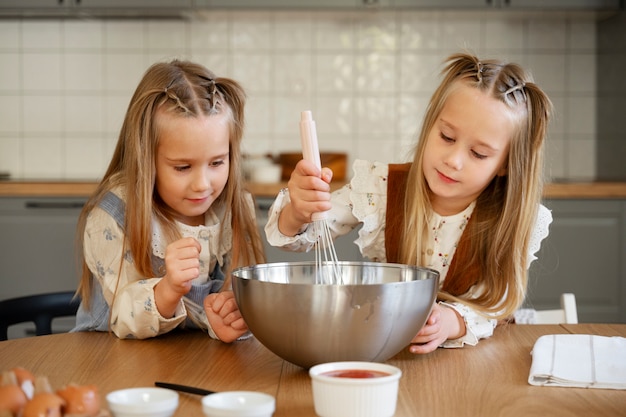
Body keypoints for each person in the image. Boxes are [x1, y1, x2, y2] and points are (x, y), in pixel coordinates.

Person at [265, 52, 553, 353]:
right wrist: (298, 211)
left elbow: (494, 304)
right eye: (446, 136)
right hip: (386, 353)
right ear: (430, 124)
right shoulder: (380, 188)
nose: (453, 160)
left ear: (506, 164)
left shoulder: (514, 218)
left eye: (479, 154)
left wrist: (450, 321)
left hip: (474, 363)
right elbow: (299, 238)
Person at [72, 59, 265, 341]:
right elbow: (123, 317)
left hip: (193, 361)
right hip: (112, 360)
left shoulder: (232, 207)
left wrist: (226, 317)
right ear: (145, 159)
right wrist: (169, 289)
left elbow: (235, 299)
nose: (202, 185)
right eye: (182, 167)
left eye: (216, 162)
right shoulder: (113, 215)